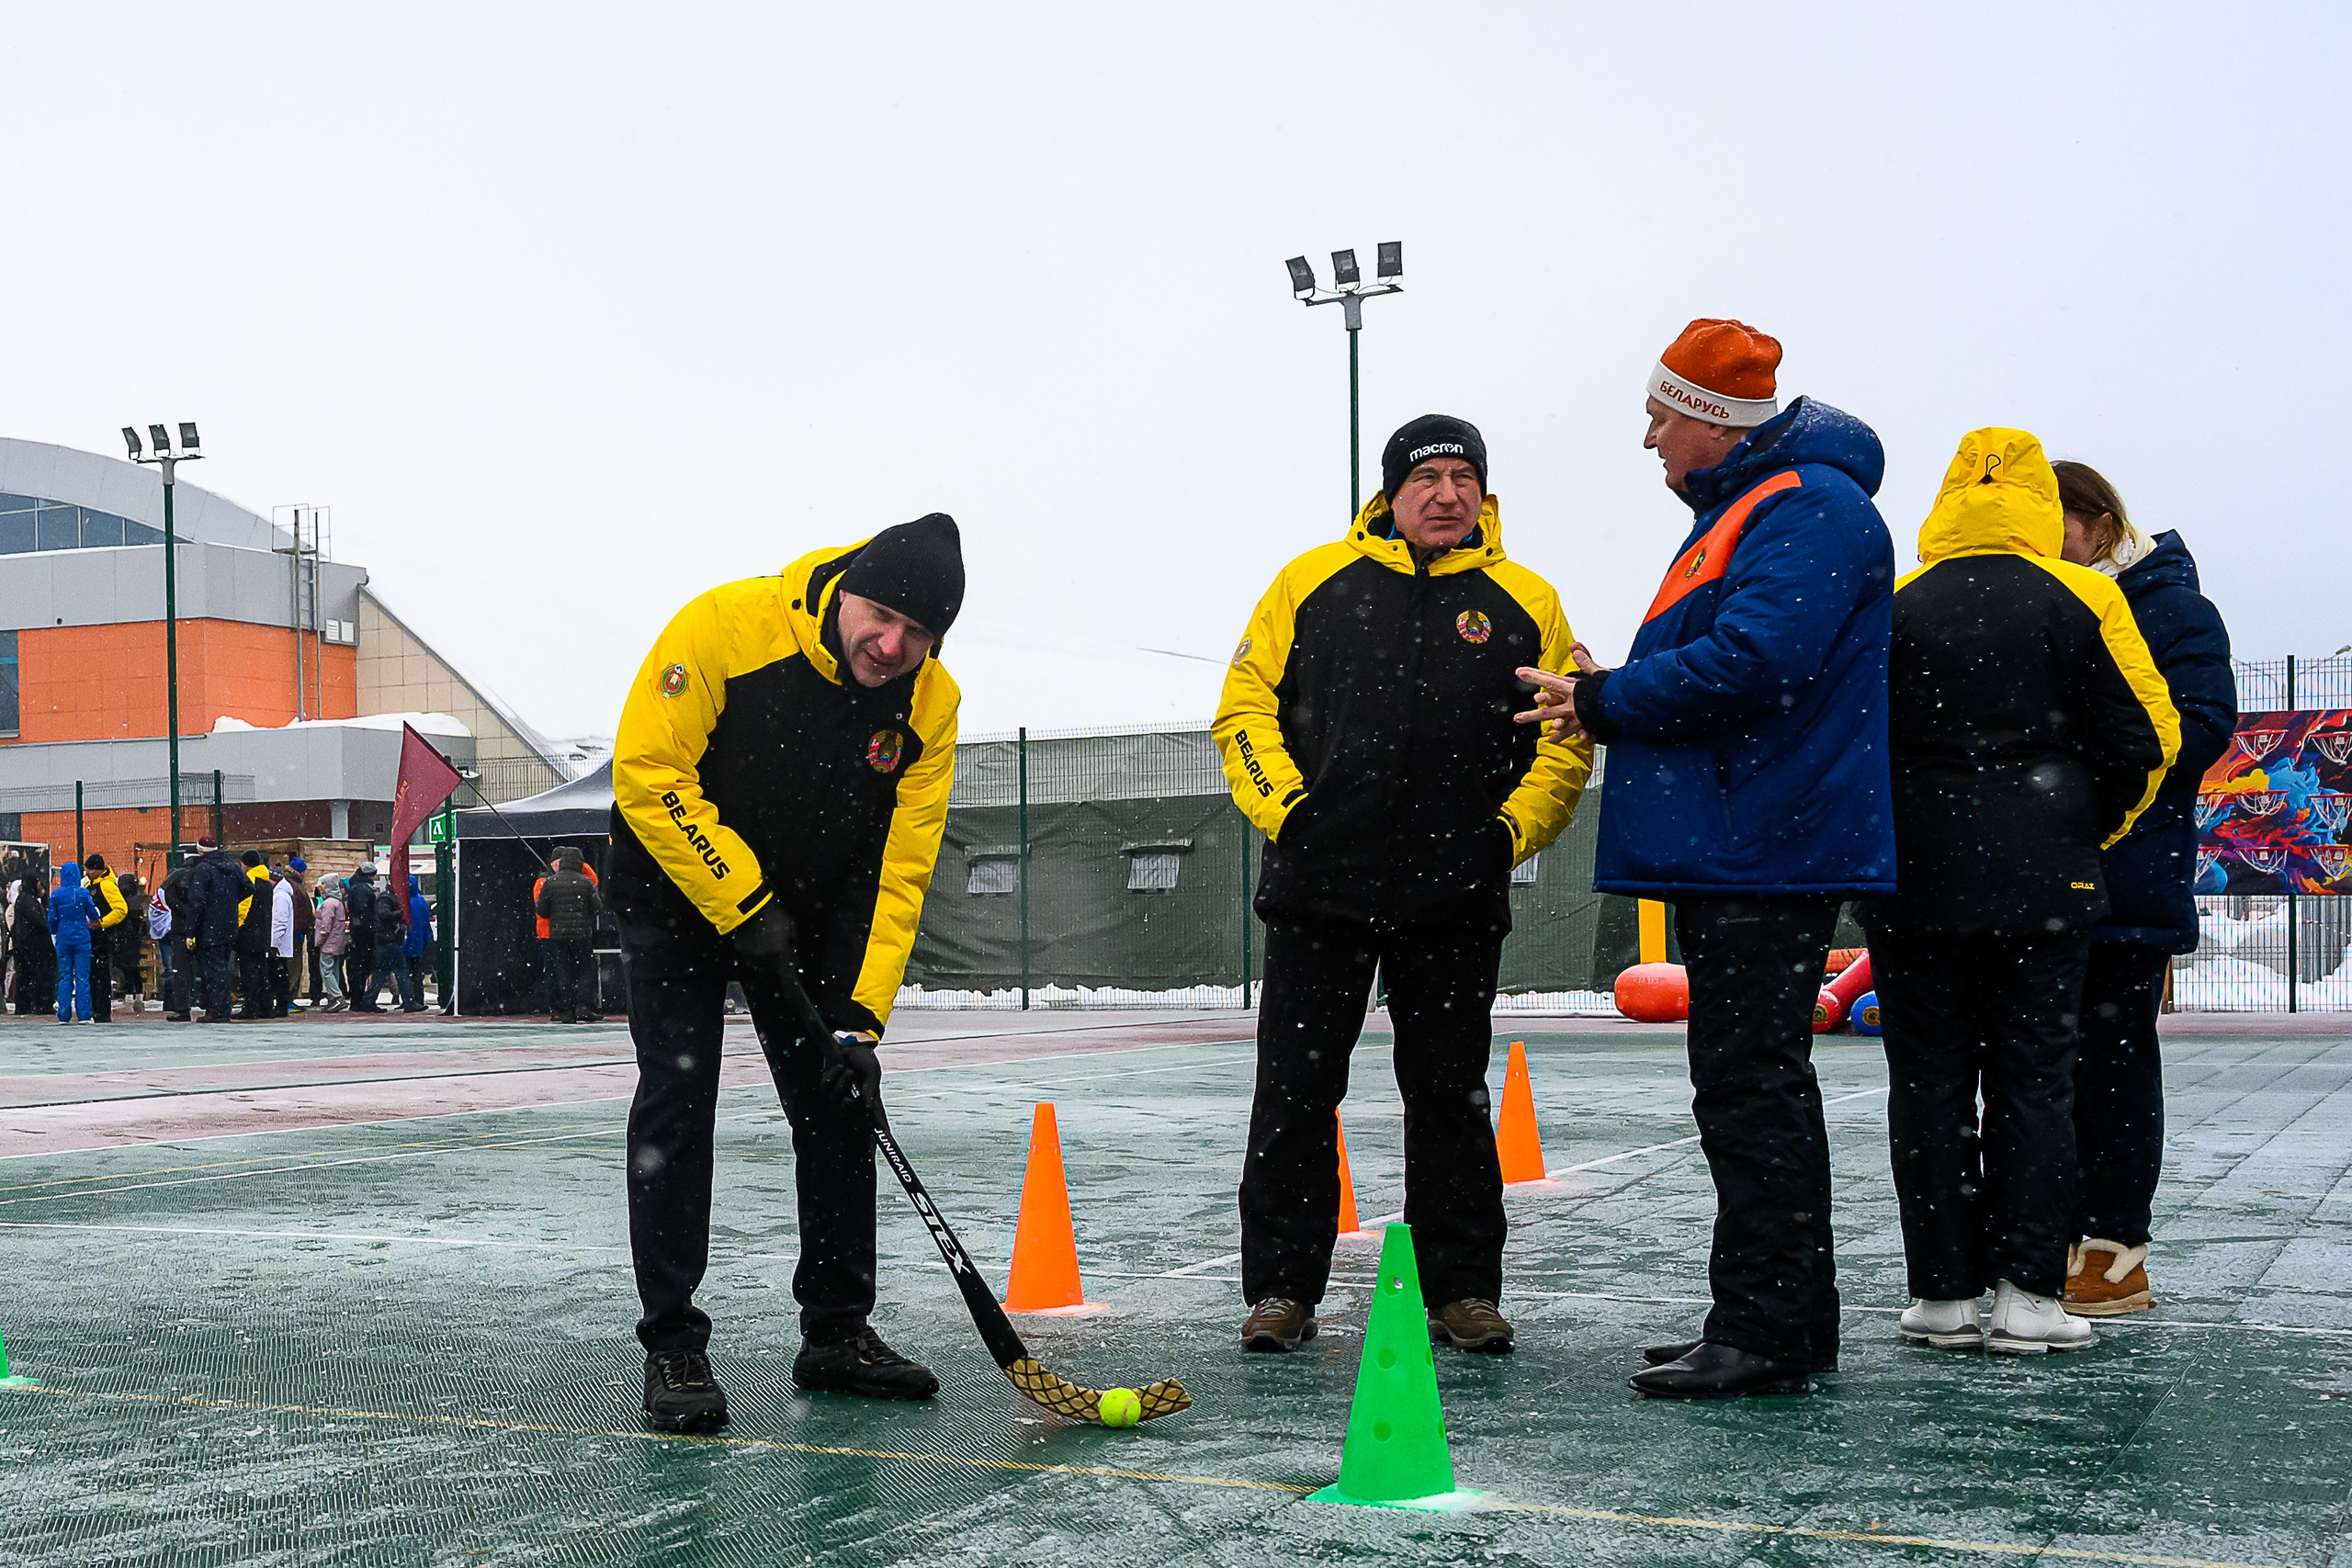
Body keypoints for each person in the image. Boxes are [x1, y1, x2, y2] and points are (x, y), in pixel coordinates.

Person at [1519, 320, 1896, 1398]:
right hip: (1751, 840)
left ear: (1712, 419)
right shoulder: (1772, 507)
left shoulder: (1801, 507)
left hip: (1761, 845)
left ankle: (1762, 1329)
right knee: (1754, 1086)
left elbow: (1756, 661)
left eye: (1659, 416)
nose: (1648, 439)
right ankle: (1784, 1320)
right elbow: (1743, 658)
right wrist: (1614, 688)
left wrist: (1604, 698)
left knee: (1748, 1090)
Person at [1216, 415, 1591, 1359]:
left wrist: (1506, 834)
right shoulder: (1310, 582)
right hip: (1320, 886)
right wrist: (1292, 813)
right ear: (1390, 493)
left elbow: (1563, 741)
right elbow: (1244, 712)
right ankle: (1282, 1290)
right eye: (1427, 477)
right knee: (1295, 1092)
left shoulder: (1527, 600)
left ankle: (1461, 1291)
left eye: (1464, 476)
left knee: (1450, 1096)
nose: (1446, 494)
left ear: (1483, 493)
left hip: (1452, 896)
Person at [609, 512, 964, 1432]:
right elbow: (648, 771)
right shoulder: (725, 627)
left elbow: (898, 869)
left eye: (918, 632)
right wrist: (743, 901)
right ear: (847, 591)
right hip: (675, 898)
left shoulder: (930, 707)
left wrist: (860, 1019)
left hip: (802, 914)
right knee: (678, 1101)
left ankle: (836, 1333)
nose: (892, 645)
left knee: (837, 1096)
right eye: (881, 616)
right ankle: (673, 1343)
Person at [1865, 428, 2179, 1355]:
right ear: (2039, 502)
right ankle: (2029, 1295)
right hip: (2045, 879)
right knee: (2034, 1080)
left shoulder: (1897, 605)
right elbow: (2148, 739)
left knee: (1926, 1082)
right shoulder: (2085, 595)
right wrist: (2083, 828)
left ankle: (1942, 1294)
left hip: (1916, 880)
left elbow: (1853, 739)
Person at [2045, 462, 2236, 1316]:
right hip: (2042, 875)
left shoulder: (2175, 609)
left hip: (2128, 880)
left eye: (2058, 529)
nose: (2047, 548)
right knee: (2041, 1070)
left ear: (2099, 522)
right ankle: (2049, 1237)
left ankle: (2116, 1250)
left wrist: (2081, 755)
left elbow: (2202, 730)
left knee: (2114, 1070)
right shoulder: (2048, 599)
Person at [184, 837, 250, 1021]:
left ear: (200, 851)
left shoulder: (203, 869)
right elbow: (248, 887)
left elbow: (197, 903)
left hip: (209, 927)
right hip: (228, 926)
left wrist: (190, 932)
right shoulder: (232, 867)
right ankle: (221, 1008)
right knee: (222, 968)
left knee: (213, 971)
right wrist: (230, 902)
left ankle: (217, 1011)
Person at [536, 848, 604, 1022]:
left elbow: (542, 910)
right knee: (585, 970)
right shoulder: (585, 883)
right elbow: (597, 907)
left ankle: (566, 1010)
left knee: (563, 971)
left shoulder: (550, 882)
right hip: (582, 934)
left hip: (558, 935)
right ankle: (583, 1005)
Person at [50, 863, 97, 1023]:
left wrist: (54, 932)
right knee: (82, 977)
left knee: (65, 976)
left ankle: (64, 1013)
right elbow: (93, 914)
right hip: (81, 936)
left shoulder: (56, 894)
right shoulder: (83, 893)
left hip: (63, 936)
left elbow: (52, 918)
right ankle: (84, 1014)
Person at [83, 854, 127, 1023]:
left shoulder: (106, 885)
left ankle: (102, 1011)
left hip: (102, 938)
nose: (86, 872)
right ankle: (97, 1009)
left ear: (97, 870)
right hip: (94, 937)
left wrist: (102, 923)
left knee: (100, 975)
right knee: (95, 975)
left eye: (89, 869)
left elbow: (121, 909)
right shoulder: (90, 885)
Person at [235, 852, 275, 1020]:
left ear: (245, 864)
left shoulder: (249, 881)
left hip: (249, 934)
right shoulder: (266, 883)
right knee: (262, 971)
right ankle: (266, 1007)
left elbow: (243, 909)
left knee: (249, 971)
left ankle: (251, 1007)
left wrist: (236, 927)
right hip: (263, 933)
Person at [161, 854, 198, 1020]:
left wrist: (183, 912)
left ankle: (182, 1008)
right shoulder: (204, 874)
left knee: (180, 969)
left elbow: (168, 896)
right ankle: (212, 1005)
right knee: (207, 967)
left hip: (180, 929)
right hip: (202, 928)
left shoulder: (175, 877)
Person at [12, 872, 52, 1018]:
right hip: (33, 946)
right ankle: (37, 1005)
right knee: (35, 976)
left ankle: (24, 1005)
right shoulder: (29, 900)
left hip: (25, 945)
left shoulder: (22, 899)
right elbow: (38, 921)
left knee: (25, 976)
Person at [345, 864, 384, 1011]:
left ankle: (358, 1000)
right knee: (363, 967)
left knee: (360, 967)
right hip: (364, 934)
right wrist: (371, 928)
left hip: (361, 933)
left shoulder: (356, 888)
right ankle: (359, 1000)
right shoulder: (363, 889)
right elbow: (364, 913)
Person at [285, 856, 318, 1009]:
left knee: (293, 965)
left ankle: (288, 998)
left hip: (294, 931)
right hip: (294, 932)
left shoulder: (291, 883)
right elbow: (297, 911)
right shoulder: (294, 885)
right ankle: (288, 998)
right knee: (294, 966)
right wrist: (299, 928)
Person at [312, 876, 349, 1010]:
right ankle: (333, 998)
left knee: (326, 971)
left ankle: (337, 996)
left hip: (328, 943)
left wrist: (318, 941)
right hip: (336, 942)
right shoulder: (338, 902)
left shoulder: (328, 904)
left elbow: (325, 927)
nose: (320, 886)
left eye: (323, 883)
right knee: (334, 971)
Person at [115, 868, 146, 1012]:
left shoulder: (125, 902)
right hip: (134, 938)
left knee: (127, 967)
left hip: (126, 938)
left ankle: (129, 998)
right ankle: (138, 997)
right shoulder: (136, 901)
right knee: (133, 967)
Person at [270, 865, 298, 1016]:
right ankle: (281, 1005)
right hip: (281, 945)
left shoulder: (280, 897)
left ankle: (281, 1006)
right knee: (280, 976)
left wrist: (273, 943)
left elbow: (279, 922)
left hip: (278, 946)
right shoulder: (282, 894)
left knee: (279, 977)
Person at [402, 881, 433, 1011]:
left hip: (404, 942)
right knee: (416, 973)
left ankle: (409, 999)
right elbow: (426, 923)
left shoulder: (402, 902)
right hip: (417, 942)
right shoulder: (420, 901)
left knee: (406, 973)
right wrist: (426, 940)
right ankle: (417, 998)